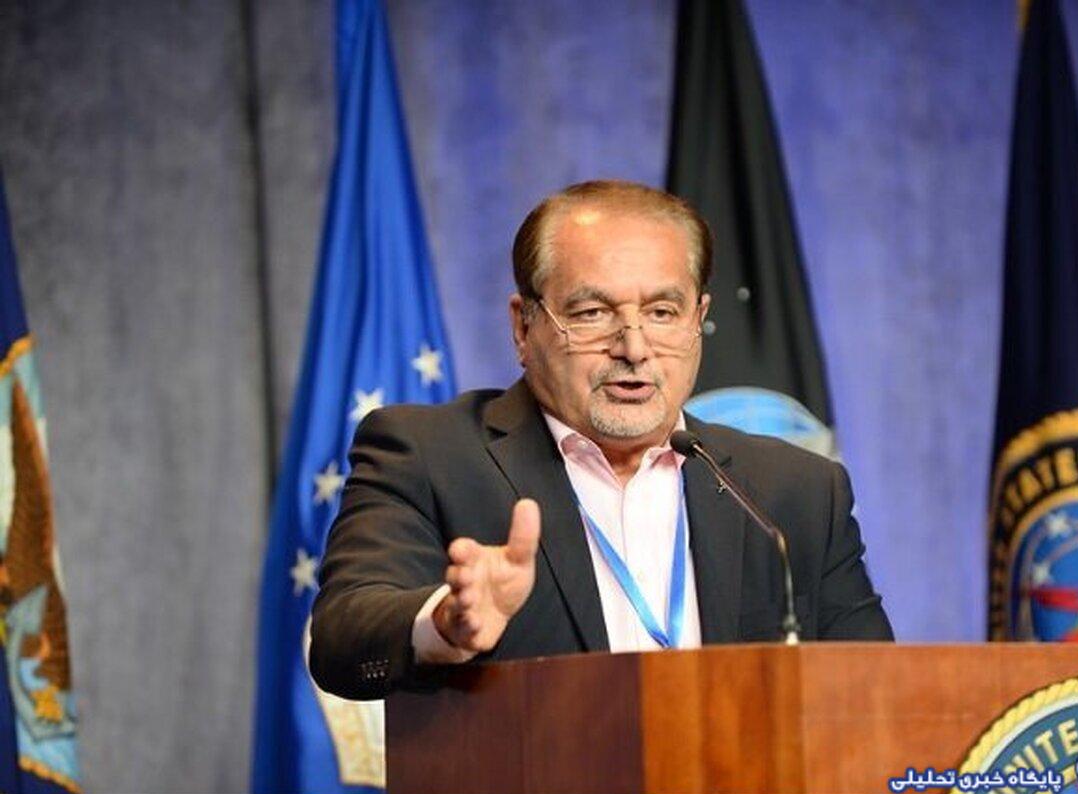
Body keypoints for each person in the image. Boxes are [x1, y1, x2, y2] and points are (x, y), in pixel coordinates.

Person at [309, 180, 892, 700]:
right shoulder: (428, 455)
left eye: (662, 312)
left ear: (698, 319)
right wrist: (445, 623)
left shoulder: (794, 492)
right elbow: (341, 641)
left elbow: (875, 693)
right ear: (523, 326)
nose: (634, 348)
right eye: (592, 313)